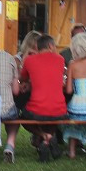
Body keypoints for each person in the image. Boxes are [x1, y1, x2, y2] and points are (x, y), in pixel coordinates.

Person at [18, 34, 67, 162]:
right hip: (60, 110)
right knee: (51, 117)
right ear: (50, 46)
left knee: (23, 118)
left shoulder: (30, 60)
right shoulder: (60, 60)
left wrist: (26, 60)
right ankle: (48, 138)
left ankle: (44, 136)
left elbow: (22, 78)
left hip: (37, 109)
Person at [3, 30, 42, 163]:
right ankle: (42, 137)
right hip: (16, 96)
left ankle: (39, 138)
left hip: (30, 96)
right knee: (18, 114)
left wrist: (30, 83)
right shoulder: (17, 59)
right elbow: (14, 79)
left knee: (22, 114)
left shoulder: (41, 59)